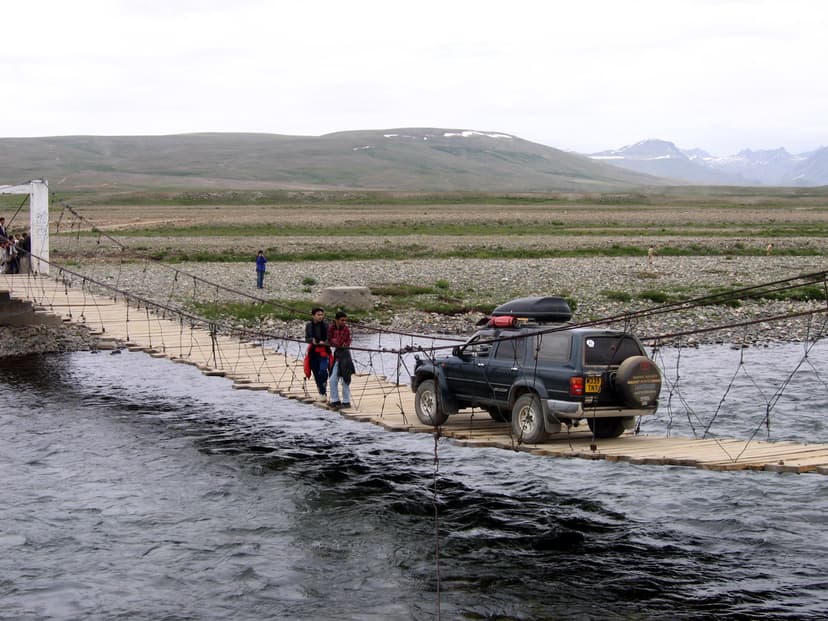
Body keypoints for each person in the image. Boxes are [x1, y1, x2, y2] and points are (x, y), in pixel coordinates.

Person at [327, 310, 355, 409]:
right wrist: (335, 342)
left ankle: (346, 402)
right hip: (337, 356)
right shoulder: (331, 328)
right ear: (336, 320)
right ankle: (335, 400)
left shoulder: (346, 329)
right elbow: (330, 340)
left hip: (345, 356)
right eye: (342, 320)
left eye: (345, 320)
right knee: (332, 379)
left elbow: (346, 341)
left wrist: (342, 344)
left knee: (345, 379)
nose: (344, 322)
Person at [305, 307, 330, 398]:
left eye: (322, 315)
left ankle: (323, 388)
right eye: (318, 315)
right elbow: (307, 338)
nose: (320, 317)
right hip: (313, 352)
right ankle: (322, 392)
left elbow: (329, 338)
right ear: (313, 316)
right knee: (316, 373)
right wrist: (313, 340)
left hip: (324, 351)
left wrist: (325, 342)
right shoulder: (309, 325)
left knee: (323, 371)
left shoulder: (326, 325)